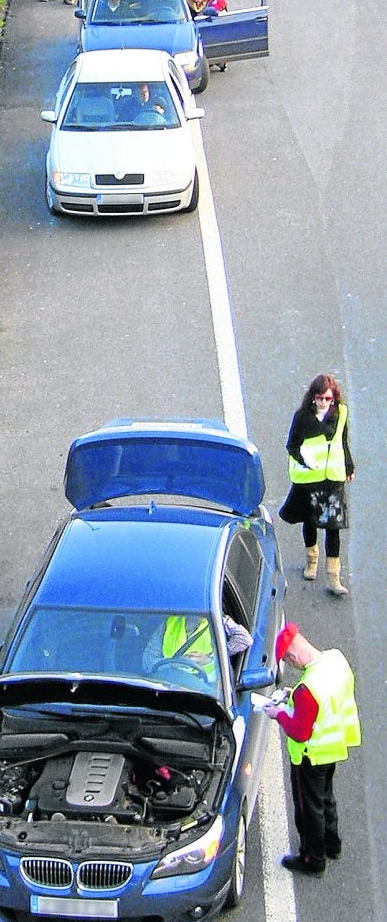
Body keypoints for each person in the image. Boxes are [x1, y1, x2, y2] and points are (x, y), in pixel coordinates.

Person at [264, 623, 361, 875]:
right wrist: (292, 695)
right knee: (327, 798)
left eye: (287, 660)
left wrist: (278, 714)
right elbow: (323, 703)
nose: (291, 664)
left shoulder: (308, 690)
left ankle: (312, 858)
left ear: (293, 655)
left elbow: (299, 731)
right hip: (333, 746)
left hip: (310, 755)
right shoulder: (335, 659)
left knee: (309, 809)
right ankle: (332, 844)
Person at [279, 374, 355, 594]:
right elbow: (292, 445)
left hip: (332, 478)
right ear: (312, 397)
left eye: (327, 398)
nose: (323, 402)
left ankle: (334, 577)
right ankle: (311, 562)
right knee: (310, 522)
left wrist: (348, 467)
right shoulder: (302, 417)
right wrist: (306, 461)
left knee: (333, 527)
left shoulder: (340, 413)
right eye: (319, 398)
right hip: (309, 480)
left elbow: (343, 441)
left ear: (334, 399)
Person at [143, 613, 252, 678]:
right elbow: (148, 662)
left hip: (203, 688)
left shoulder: (219, 621)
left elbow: (245, 639)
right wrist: (175, 664)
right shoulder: (170, 623)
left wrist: (212, 658)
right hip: (167, 683)